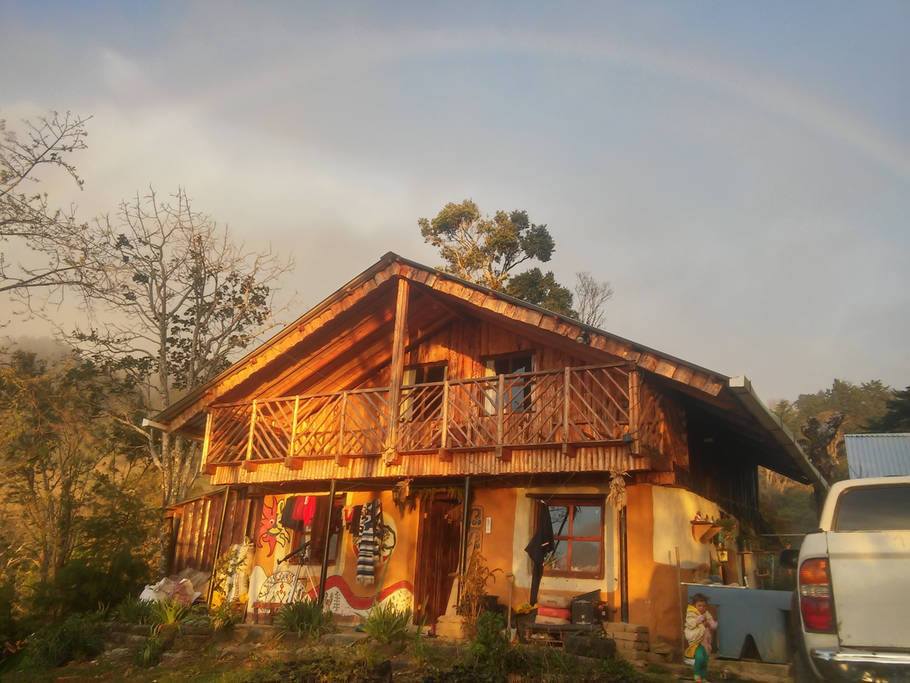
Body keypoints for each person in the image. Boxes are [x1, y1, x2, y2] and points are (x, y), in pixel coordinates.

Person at [684, 592, 718, 683]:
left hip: (705, 641)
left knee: (705, 659)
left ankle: (703, 678)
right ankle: (697, 676)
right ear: (694, 605)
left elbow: (711, 622)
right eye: (699, 606)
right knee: (699, 657)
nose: (702, 608)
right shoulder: (691, 613)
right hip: (696, 640)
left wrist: (712, 624)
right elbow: (691, 624)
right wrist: (700, 621)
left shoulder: (706, 614)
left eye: (704, 606)